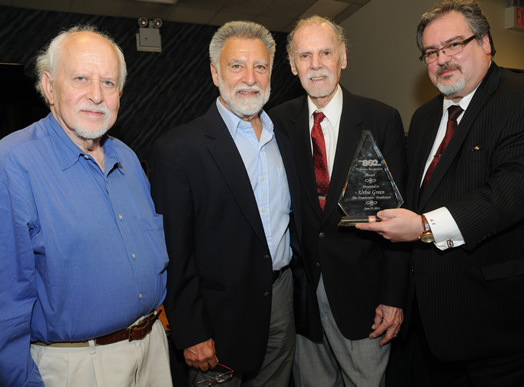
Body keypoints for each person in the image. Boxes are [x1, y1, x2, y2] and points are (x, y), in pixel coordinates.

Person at [356, 0, 524, 385]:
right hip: (426, 329)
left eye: (453, 45)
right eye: (431, 52)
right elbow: (411, 202)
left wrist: (424, 227)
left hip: (497, 327)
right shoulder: (424, 117)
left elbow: (510, 192)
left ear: (485, 42)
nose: (442, 59)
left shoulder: (517, 97)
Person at [0, 26, 172, 386]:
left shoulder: (126, 156)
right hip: (79, 366)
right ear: (49, 87)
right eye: (81, 78)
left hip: (153, 351)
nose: (96, 95)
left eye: (108, 83)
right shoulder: (12, 163)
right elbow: (7, 305)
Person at [150, 21, 302, 386]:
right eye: (236, 66)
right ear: (215, 73)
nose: (250, 78)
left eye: (260, 67)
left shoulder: (289, 139)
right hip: (217, 319)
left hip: (281, 301)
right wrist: (190, 330)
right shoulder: (178, 150)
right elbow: (174, 252)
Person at [269, 15, 409, 387]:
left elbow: (398, 215)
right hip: (303, 303)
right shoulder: (277, 122)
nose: (315, 65)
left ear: (343, 57)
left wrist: (394, 297)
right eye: (305, 55)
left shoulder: (381, 119)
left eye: (325, 53)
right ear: (293, 64)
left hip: (364, 297)